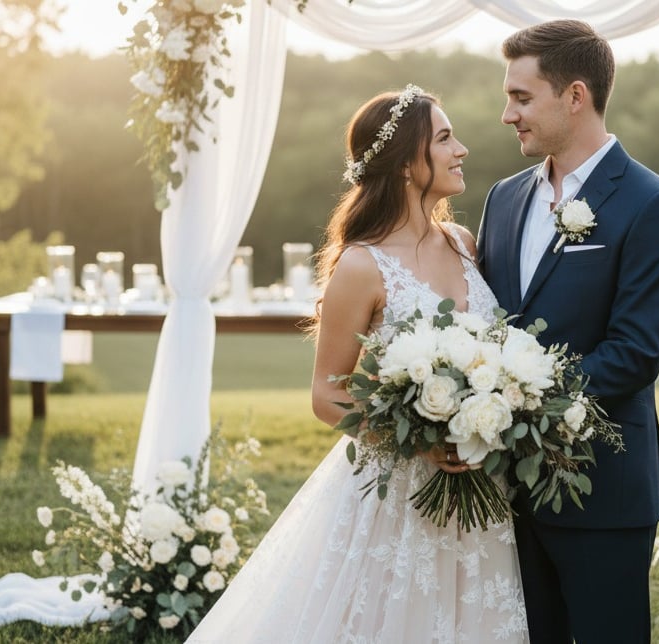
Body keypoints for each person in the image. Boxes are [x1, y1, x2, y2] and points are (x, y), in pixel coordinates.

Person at [187, 86, 528, 643]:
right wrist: (420, 440)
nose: (461, 149)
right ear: (403, 166)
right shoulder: (361, 266)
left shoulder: (465, 243)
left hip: (483, 486)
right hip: (398, 491)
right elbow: (326, 393)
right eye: (444, 139)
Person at [476, 20, 659, 644]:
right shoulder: (505, 198)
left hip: (601, 487)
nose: (506, 114)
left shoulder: (654, 205)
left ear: (575, 95)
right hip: (505, 489)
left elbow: (634, 354)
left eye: (521, 97)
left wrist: (510, 398)